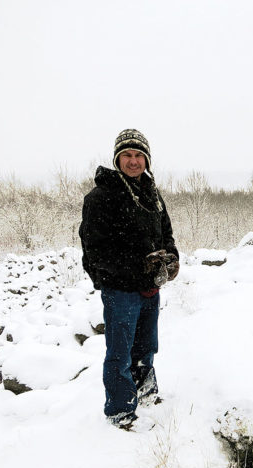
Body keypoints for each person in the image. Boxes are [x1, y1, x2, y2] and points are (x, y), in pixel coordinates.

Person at [79, 129, 179, 430]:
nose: (133, 161)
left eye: (138, 156)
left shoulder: (151, 193)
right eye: (127, 155)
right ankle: (121, 411)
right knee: (119, 353)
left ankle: (146, 393)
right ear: (117, 159)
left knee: (146, 346)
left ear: (146, 160)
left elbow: (166, 233)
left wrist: (171, 257)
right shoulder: (101, 197)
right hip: (120, 290)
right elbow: (95, 251)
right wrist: (138, 266)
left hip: (150, 287)